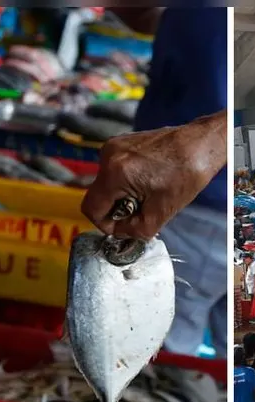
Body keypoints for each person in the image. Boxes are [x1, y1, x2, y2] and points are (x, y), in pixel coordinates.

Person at [80, 8, 227, 364]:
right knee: (237, 347)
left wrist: (205, 144)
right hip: (198, 202)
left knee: (157, 345)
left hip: (192, 205)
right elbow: (157, 17)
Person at [241, 252, 255, 322]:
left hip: (254, 289)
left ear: (249, 258)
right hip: (252, 289)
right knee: (253, 305)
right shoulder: (250, 265)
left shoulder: (254, 265)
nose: (244, 261)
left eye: (245, 259)